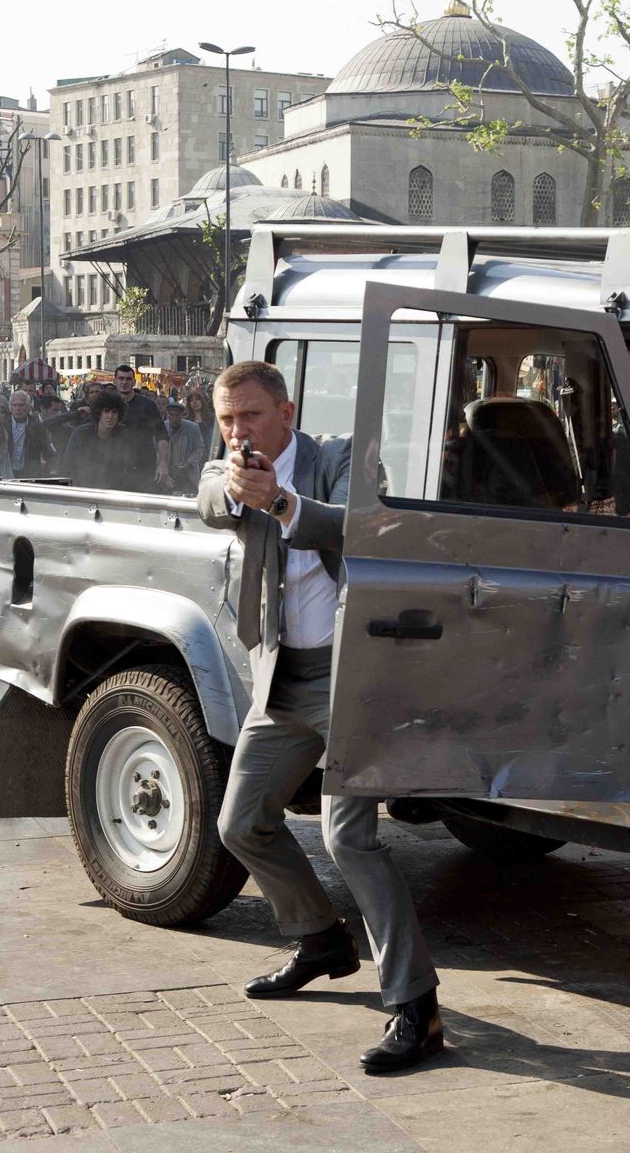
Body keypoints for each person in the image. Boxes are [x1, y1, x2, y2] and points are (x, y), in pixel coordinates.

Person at [197, 361, 442, 1074]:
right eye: (226, 420)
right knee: (239, 823)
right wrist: (239, 488)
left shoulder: (342, 458)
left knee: (350, 839)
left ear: (287, 411)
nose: (238, 432)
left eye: (250, 416)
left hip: (354, 678)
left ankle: (417, 1009)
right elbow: (210, 496)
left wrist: (280, 503)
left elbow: (365, 528)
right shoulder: (230, 468)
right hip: (284, 680)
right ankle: (320, 939)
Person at [61, 388, 145, 491]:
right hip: (83, 491)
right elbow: (68, 466)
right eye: (106, 411)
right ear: (99, 413)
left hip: (114, 493)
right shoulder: (80, 434)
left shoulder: (125, 436)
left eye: (114, 412)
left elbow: (130, 468)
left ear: (119, 415)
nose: (110, 416)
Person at [113, 364, 170, 491]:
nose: (124, 382)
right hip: (114, 468)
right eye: (121, 378)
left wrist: (163, 463)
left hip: (143, 468)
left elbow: (162, 436)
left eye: (128, 379)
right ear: (115, 381)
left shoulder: (147, 405)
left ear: (134, 381)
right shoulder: (109, 405)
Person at [7, 390, 57, 478]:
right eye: (14, 405)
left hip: (29, 474)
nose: (17, 409)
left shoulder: (37, 427)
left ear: (29, 407)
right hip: (6, 472)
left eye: (21, 405)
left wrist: (53, 470)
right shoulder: (3, 425)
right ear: (10, 408)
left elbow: (48, 451)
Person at [164, 400, 204, 494]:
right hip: (168, 474)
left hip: (189, 475)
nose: (174, 418)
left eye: (177, 415)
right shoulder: (162, 427)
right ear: (167, 415)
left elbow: (200, 448)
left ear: (182, 415)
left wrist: (189, 462)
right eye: (171, 415)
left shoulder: (193, 428)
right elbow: (157, 451)